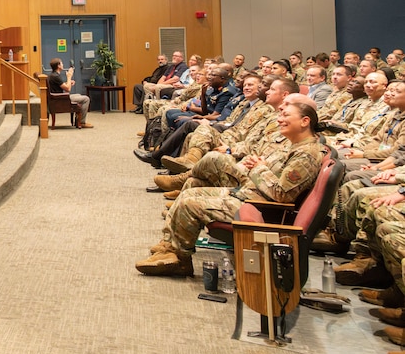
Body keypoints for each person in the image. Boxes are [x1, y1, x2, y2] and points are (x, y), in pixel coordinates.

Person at [135, 101, 323, 276]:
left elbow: (281, 195)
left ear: (305, 121)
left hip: (260, 208)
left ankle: (180, 259)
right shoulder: (294, 147)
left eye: (286, 115)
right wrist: (257, 164)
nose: (279, 119)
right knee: (192, 190)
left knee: (189, 203)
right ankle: (170, 246)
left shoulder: (306, 155)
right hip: (251, 194)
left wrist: (259, 168)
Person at [49, 58, 92, 129]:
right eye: (61, 63)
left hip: (59, 98)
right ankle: (81, 122)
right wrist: (69, 77)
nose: (63, 64)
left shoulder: (53, 75)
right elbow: (68, 89)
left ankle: (77, 120)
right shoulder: (56, 76)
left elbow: (62, 86)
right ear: (58, 66)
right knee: (86, 99)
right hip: (61, 99)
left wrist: (67, 83)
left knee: (78, 95)